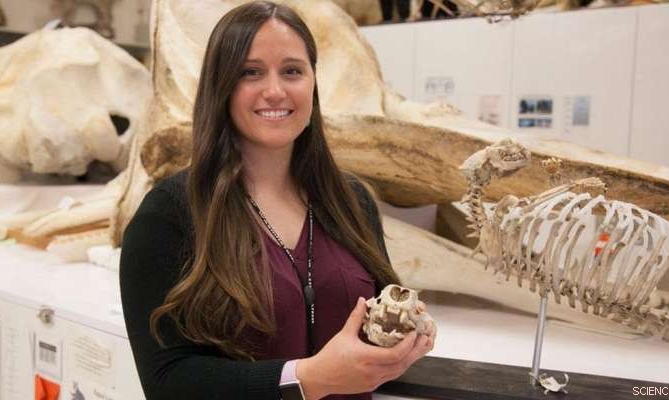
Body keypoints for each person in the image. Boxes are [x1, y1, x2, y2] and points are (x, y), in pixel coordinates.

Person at [119, 2, 435, 399]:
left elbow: (371, 322)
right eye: (250, 72)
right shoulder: (169, 214)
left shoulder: (352, 201)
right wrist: (307, 378)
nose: (275, 90)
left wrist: (406, 334)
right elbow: (166, 381)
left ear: (312, 83)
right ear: (222, 87)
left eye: (292, 71)